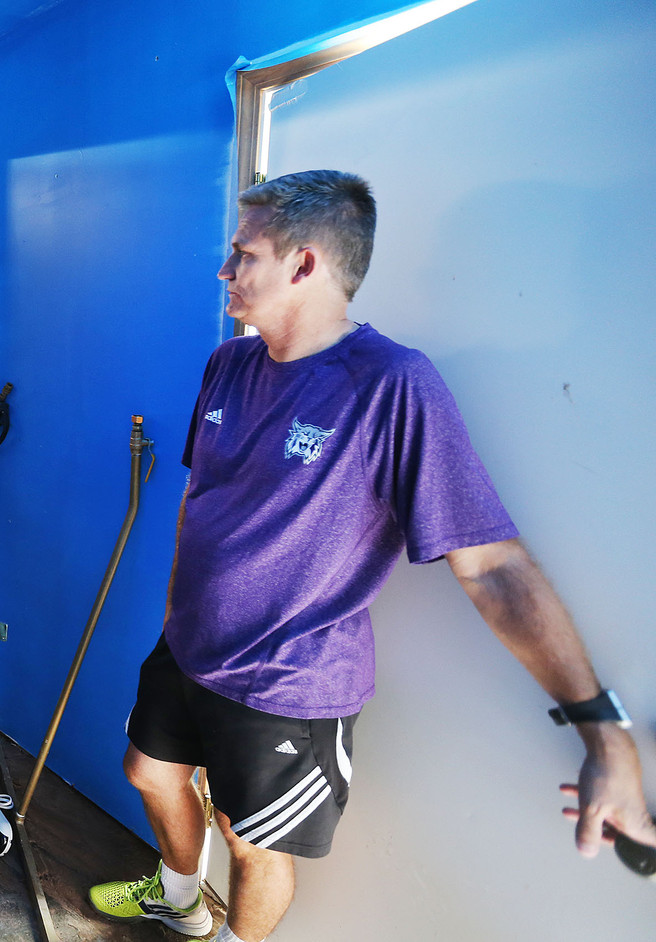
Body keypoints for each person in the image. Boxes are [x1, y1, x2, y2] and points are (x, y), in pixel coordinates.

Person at [87, 170, 655, 941]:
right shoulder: (228, 365)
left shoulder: (393, 386)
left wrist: (603, 732)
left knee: (251, 844)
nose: (225, 272)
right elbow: (205, 505)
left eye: (242, 253)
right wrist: (173, 617)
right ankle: (181, 898)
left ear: (306, 264)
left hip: (286, 681)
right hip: (187, 650)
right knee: (148, 773)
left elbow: (492, 567)